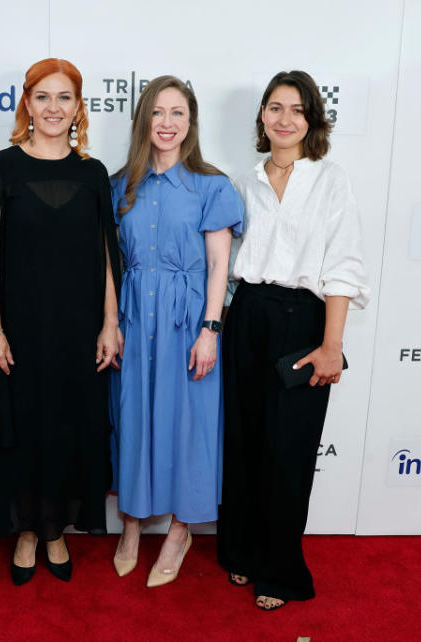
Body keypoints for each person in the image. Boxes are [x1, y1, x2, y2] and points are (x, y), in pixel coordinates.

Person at [217, 70, 369, 611]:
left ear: (312, 120)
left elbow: (343, 266)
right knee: (244, 439)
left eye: (297, 109)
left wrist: (331, 347)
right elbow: (228, 266)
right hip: (248, 315)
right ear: (262, 116)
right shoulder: (244, 180)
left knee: (290, 450)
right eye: (275, 108)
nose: (285, 119)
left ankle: (280, 571)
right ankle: (239, 550)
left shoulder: (331, 180)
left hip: (304, 319)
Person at [0, 58, 122, 585]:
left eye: (64, 98)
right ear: (27, 104)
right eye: (43, 97)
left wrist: (110, 323)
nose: (53, 108)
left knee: (67, 428)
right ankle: (27, 531)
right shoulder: (3, 166)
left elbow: (107, 255)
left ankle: (55, 529)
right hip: (18, 330)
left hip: (79, 332)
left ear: (78, 107)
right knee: (23, 428)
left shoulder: (93, 172)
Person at [109, 76, 243, 587]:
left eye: (177, 114)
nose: (167, 123)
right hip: (134, 318)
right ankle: (131, 526)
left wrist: (210, 330)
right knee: (134, 419)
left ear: (191, 122)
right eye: (158, 113)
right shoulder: (120, 184)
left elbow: (218, 267)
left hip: (188, 321)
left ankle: (180, 531)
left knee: (190, 425)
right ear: (144, 120)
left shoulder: (212, 185)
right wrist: (110, 323)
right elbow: (111, 261)